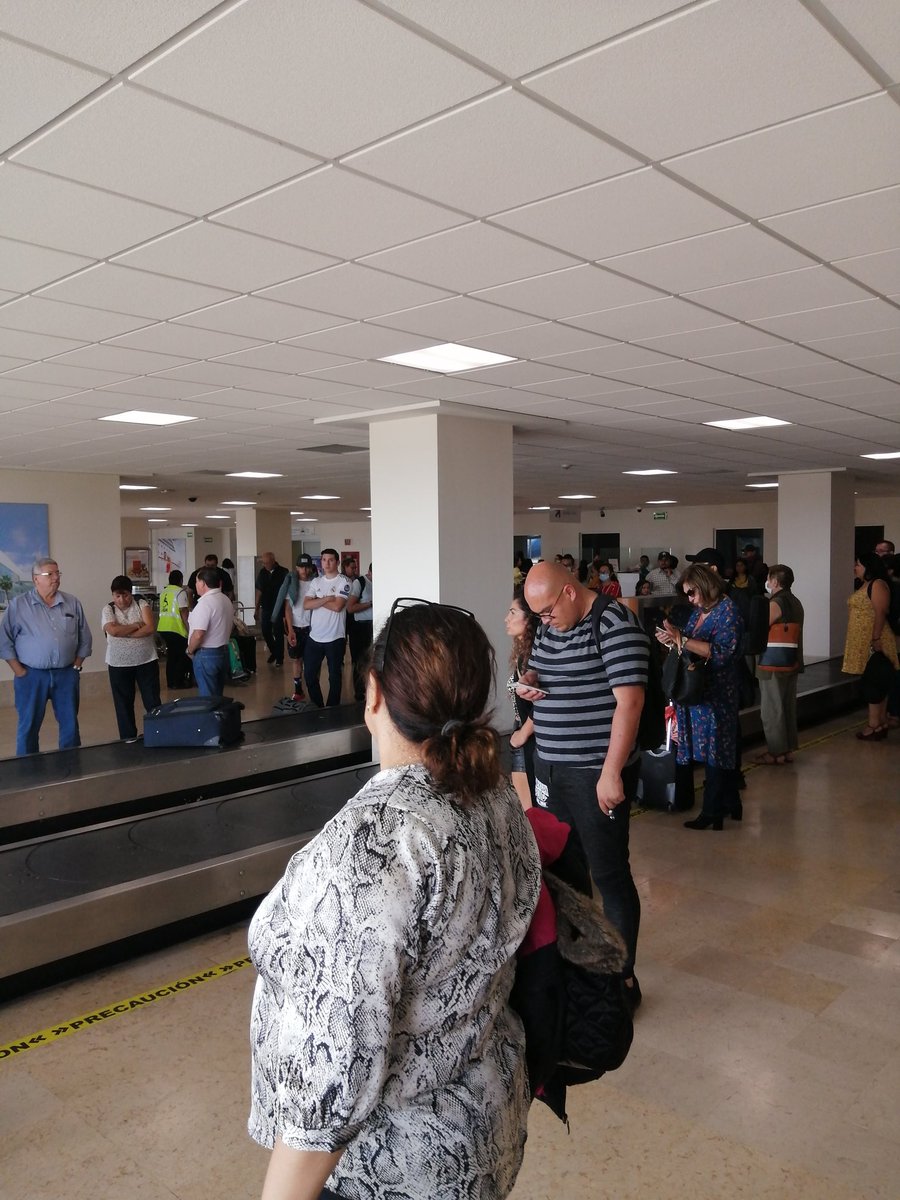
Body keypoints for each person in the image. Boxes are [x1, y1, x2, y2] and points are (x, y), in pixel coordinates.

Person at [248, 600, 541, 1200]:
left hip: (391, 1165)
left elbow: (334, 1069)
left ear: (375, 693)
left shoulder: (376, 843)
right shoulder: (493, 796)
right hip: (479, 1126)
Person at [521, 560, 648, 1009]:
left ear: (570, 591)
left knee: (609, 874)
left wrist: (611, 772)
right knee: (565, 874)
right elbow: (540, 672)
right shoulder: (551, 627)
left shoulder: (613, 622)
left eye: (548, 611)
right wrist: (529, 684)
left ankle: (621, 979)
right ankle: (579, 969)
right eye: (536, 616)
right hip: (551, 769)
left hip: (595, 772)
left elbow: (630, 701)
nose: (544, 621)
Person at [656, 565, 744, 830]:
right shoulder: (700, 612)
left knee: (716, 749)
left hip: (718, 690)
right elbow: (690, 645)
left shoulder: (728, 612)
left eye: (692, 592)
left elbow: (722, 652)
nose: (690, 598)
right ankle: (731, 802)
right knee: (710, 749)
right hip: (698, 690)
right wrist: (673, 641)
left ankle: (712, 811)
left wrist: (681, 638)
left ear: (706, 585)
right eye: (687, 594)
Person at [0, 558, 92, 756]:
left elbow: (85, 638)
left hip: (66, 674)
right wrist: (19, 671)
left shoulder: (72, 603)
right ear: (35, 579)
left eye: (58, 573)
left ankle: (70, 766)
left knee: (69, 725)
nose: (56, 578)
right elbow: (4, 640)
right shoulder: (18, 606)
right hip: (31, 676)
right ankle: (27, 769)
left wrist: (76, 666)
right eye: (49, 574)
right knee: (28, 726)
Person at [842, 553, 899, 740]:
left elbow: (881, 611)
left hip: (875, 640)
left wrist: (875, 638)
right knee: (876, 679)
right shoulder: (865, 585)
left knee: (874, 681)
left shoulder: (877, 584)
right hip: (864, 640)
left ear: (868, 566)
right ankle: (880, 722)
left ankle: (874, 724)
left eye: (858, 564)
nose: (854, 567)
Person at [754, 564, 804, 765]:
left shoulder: (776, 602)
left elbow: (761, 627)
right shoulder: (796, 601)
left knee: (772, 709)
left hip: (772, 662)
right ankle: (787, 749)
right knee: (787, 705)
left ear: (774, 581)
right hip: (791, 659)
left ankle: (775, 752)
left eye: (769, 578)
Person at [101, 575, 161, 741]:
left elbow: (149, 628)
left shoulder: (142, 604)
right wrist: (135, 626)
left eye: (125, 595)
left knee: (152, 700)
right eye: (117, 596)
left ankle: (157, 733)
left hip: (146, 661)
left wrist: (124, 633)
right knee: (123, 703)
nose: (121, 600)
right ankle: (128, 738)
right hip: (118, 664)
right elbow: (112, 631)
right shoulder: (108, 609)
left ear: (131, 593)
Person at [505, 588, 539, 809]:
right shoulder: (523, 653)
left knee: (530, 813)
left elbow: (545, 701)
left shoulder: (533, 656)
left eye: (513, 612)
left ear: (529, 619)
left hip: (530, 739)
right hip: (523, 735)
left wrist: (523, 733)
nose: (506, 618)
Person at [303, 548, 351, 708]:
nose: (327, 563)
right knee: (309, 675)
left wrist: (318, 599)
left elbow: (338, 606)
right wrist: (327, 598)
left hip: (335, 637)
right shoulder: (316, 582)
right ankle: (318, 707)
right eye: (324, 560)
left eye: (330, 560)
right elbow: (306, 604)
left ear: (337, 562)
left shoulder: (344, 581)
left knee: (334, 677)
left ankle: (332, 708)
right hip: (315, 637)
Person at [187, 567, 233, 697]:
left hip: (206, 654)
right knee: (217, 696)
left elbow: (199, 634)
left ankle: (211, 717)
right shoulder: (225, 600)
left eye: (196, 581)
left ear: (202, 583)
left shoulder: (205, 603)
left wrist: (190, 650)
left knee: (207, 699)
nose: (195, 585)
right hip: (223, 652)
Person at [276, 553, 316, 701]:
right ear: (296, 568)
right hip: (296, 626)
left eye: (307, 567)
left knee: (312, 660)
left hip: (312, 627)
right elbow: (287, 608)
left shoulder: (316, 582)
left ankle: (313, 687)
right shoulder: (292, 583)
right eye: (301, 567)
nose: (304, 571)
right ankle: (298, 689)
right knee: (297, 659)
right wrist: (290, 629)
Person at [157, 569, 191, 688]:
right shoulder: (180, 592)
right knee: (181, 656)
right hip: (176, 628)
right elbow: (184, 613)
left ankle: (170, 682)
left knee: (171, 656)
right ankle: (178, 682)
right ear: (181, 580)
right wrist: (189, 630)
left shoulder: (164, 592)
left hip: (163, 628)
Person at [255, 551, 289, 667]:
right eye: (263, 563)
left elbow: (287, 591)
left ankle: (279, 657)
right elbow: (259, 591)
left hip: (279, 607)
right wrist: (256, 609)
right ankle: (274, 651)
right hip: (266, 606)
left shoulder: (283, 572)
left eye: (267, 563)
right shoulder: (262, 573)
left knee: (278, 632)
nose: (265, 565)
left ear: (273, 561)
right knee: (265, 630)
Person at [346, 562, 373, 702]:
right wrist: (370, 604)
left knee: (374, 660)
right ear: (369, 572)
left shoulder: (382, 582)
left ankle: (372, 690)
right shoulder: (360, 583)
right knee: (359, 661)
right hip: (359, 628)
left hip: (375, 626)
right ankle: (359, 693)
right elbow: (350, 608)